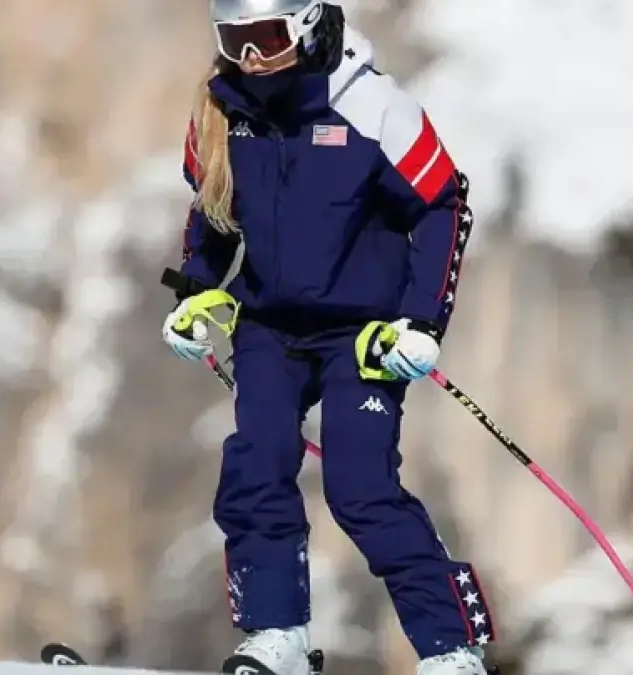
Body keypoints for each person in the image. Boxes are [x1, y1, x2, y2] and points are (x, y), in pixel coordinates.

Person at [161, 2, 493, 674]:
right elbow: (213, 212)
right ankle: (277, 635)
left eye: (266, 38)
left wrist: (422, 321)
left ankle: (451, 649)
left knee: (360, 486)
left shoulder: (373, 106)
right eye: (235, 41)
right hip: (269, 328)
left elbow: (442, 204)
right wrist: (193, 292)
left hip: (363, 333)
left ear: (308, 24)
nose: (251, 58)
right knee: (256, 466)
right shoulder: (221, 112)